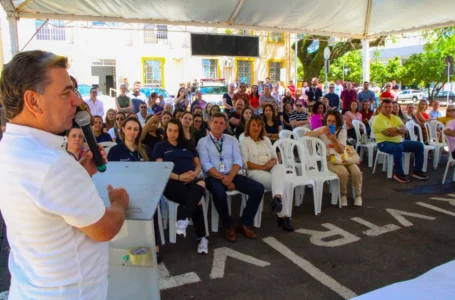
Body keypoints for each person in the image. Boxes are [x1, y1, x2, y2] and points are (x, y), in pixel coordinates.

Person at [0, 50, 128, 298]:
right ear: (33, 101)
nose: (76, 102)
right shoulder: (53, 165)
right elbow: (105, 229)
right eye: (65, 92)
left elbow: (45, 199)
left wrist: (80, 172)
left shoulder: (9, 147)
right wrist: (119, 204)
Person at [197, 113, 264, 241]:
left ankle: (244, 223)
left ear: (226, 125)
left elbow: (238, 160)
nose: (218, 125)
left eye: (221, 123)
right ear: (210, 123)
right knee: (220, 193)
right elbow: (205, 164)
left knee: (258, 189)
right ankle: (228, 226)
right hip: (214, 177)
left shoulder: (231, 140)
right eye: (215, 122)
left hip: (232, 174)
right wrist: (223, 178)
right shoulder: (203, 142)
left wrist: (230, 177)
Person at [153, 119, 209, 254]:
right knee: (197, 201)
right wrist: (179, 177)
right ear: (166, 131)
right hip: (172, 182)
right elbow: (161, 169)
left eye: (176, 131)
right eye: (170, 130)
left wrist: (194, 174)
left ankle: (183, 218)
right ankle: (202, 237)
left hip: (191, 180)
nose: (173, 133)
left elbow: (198, 164)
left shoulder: (188, 144)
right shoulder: (160, 147)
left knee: (201, 182)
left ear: (180, 131)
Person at [240, 116, 294, 231]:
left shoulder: (266, 139)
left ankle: (277, 197)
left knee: (280, 167)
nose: (256, 128)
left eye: (259, 125)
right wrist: (262, 166)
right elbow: (245, 163)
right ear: (249, 126)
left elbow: (275, 158)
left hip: (271, 169)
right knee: (281, 183)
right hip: (255, 172)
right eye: (253, 125)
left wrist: (272, 162)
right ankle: (284, 217)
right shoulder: (244, 140)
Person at [305, 111, 363, 206]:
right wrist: (319, 132)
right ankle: (343, 195)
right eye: (328, 121)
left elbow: (340, 150)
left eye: (333, 121)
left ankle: (358, 195)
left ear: (338, 122)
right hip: (329, 158)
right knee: (343, 172)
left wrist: (334, 139)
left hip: (343, 157)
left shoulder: (342, 130)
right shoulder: (323, 129)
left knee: (356, 172)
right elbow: (306, 135)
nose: (330, 123)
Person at [372, 99, 429, 183]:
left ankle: (417, 171)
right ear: (381, 108)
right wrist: (400, 132)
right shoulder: (378, 119)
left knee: (419, 145)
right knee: (398, 148)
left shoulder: (395, 117)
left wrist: (396, 129)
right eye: (386, 107)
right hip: (384, 143)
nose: (388, 109)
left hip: (399, 141)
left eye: (390, 107)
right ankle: (398, 173)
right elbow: (388, 134)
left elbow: (405, 129)